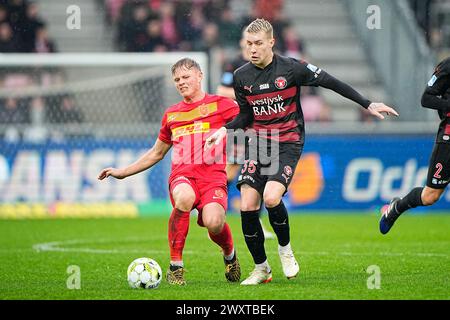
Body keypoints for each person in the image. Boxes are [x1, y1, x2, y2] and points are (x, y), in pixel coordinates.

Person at [205, 18, 398, 285]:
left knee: (271, 197)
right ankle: (262, 269)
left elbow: (331, 82)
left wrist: (366, 103)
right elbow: (246, 115)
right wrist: (224, 130)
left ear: (271, 42)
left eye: (258, 43)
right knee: (248, 204)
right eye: (249, 44)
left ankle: (285, 250)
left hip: (287, 142)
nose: (252, 49)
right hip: (258, 143)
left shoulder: (292, 68)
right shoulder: (241, 76)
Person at [98, 58, 241, 286]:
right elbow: (156, 153)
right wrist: (123, 172)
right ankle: (176, 267)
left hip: (213, 178)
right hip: (182, 176)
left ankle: (230, 255)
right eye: (176, 80)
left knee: (214, 222)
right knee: (183, 197)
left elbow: (246, 122)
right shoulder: (172, 115)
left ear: (200, 75)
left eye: (185, 77)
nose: (181, 83)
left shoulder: (222, 105)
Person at [380, 56, 450, 234]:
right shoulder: (447, 66)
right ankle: (397, 207)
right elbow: (427, 98)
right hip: (448, 139)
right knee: (430, 196)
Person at [217, 28, 276, 240]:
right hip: (240, 125)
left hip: (261, 127)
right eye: (247, 41)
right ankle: (214, 212)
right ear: (243, 42)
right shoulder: (233, 65)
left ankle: (257, 220)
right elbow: (221, 91)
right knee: (230, 170)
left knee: (260, 172)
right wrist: (253, 92)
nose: (250, 45)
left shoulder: (267, 65)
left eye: (255, 41)